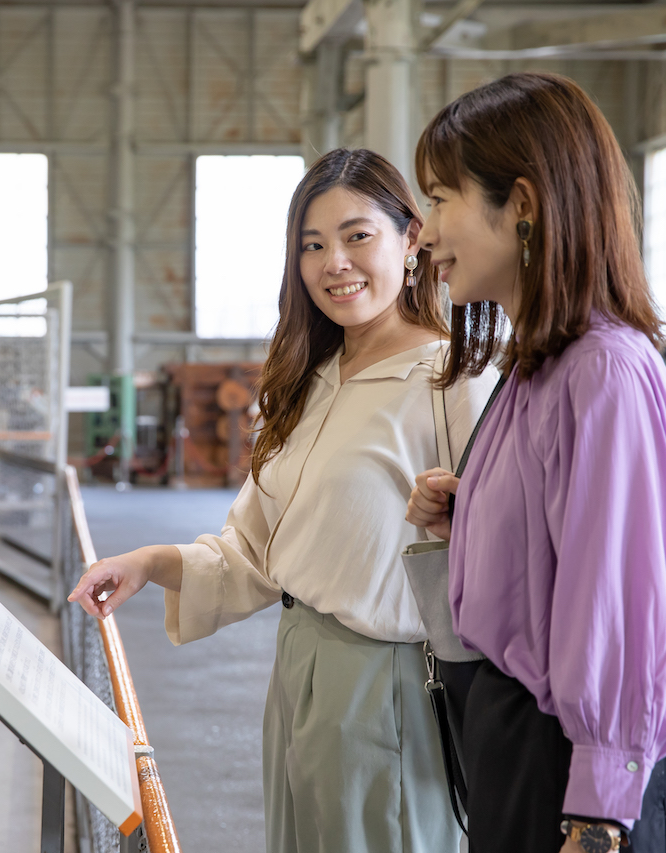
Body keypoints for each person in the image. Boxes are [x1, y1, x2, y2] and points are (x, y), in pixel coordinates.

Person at [70, 148, 498, 853]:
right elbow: (255, 546)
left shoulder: (451, 379)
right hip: (298, 667)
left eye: (358, 236)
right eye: (313, 244)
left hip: (388, 684)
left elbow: (500, 555)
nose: (335, 262)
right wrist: (150, 560)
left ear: (411, 237)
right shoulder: (311, 379)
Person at [405, 71, 666, 853]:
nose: (425, 232)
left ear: (524, 204)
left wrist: (597, 816)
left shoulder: (602, 370)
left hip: (582, 777)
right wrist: (472, 514)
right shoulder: (536, 366)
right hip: (523, 744)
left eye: (441, 199)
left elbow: (623, 608)